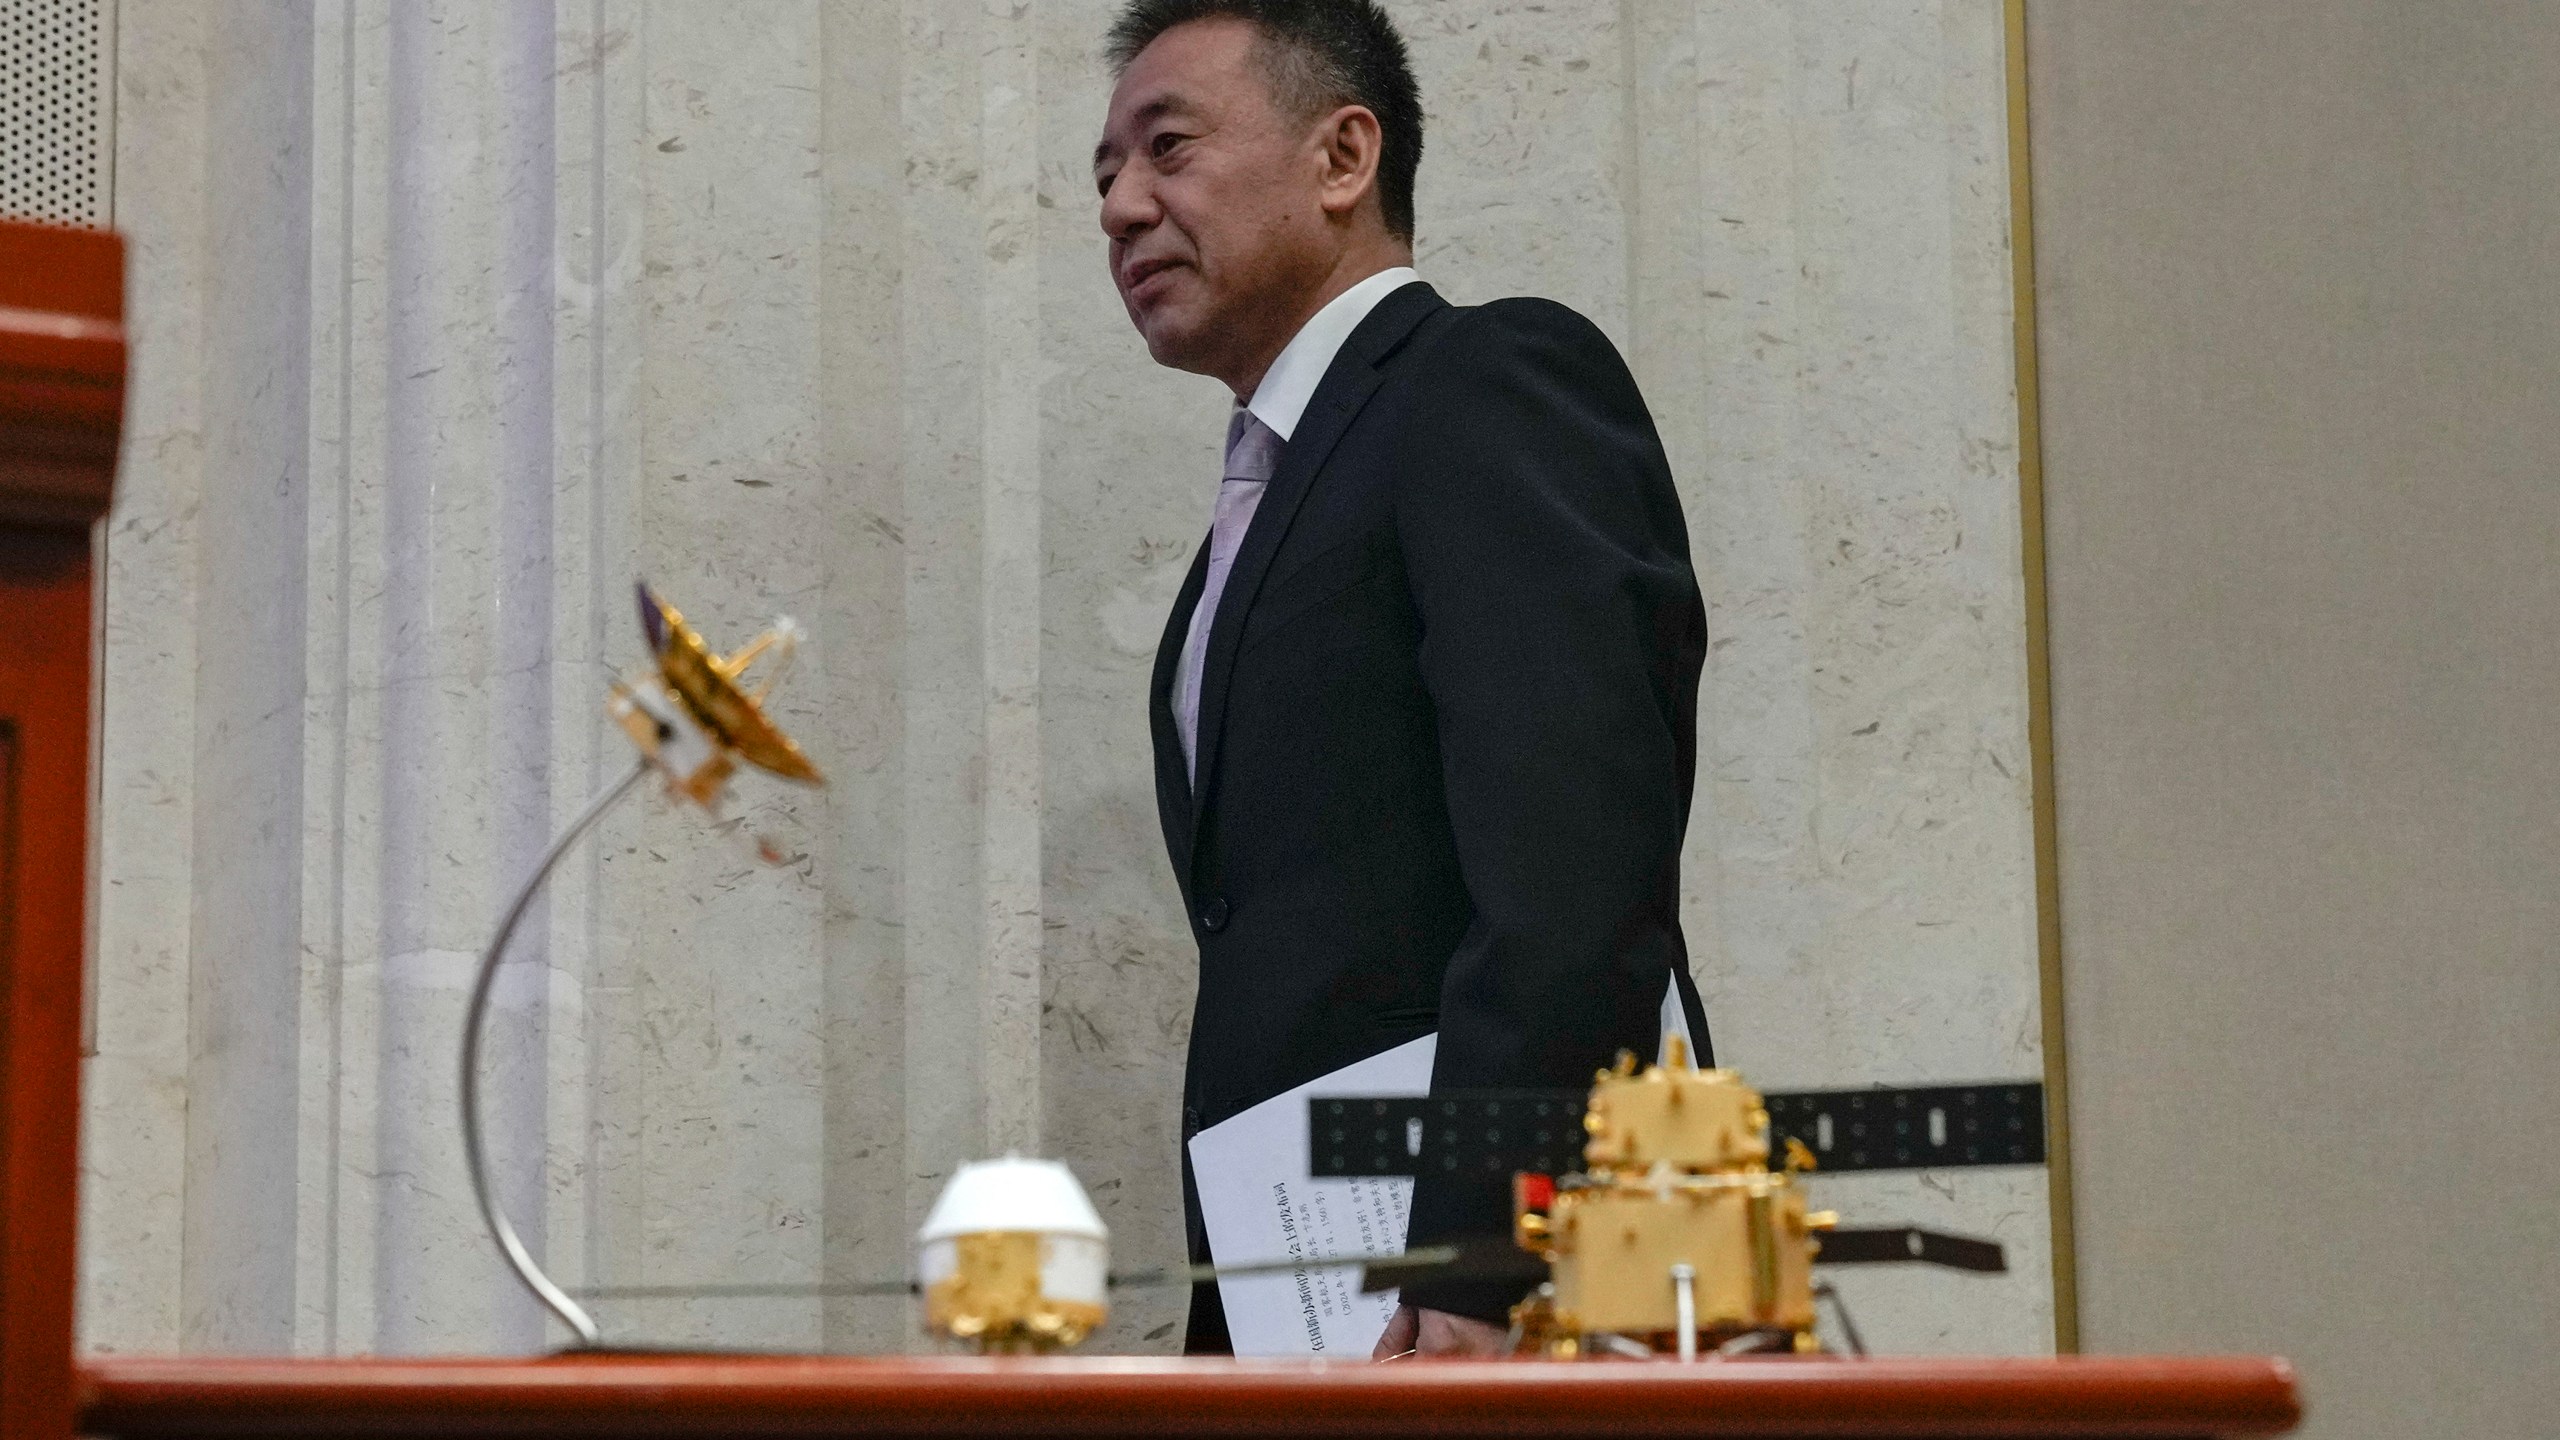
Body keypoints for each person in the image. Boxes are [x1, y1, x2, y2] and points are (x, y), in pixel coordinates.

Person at [1093, 0, 1710, 1357]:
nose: (1123, 207)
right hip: (1306, 1292)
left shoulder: (1486, 380)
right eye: (1104, 176)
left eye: (1169, 148)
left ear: (1343, 156)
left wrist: (1485, 1249)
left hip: (1500, 1286)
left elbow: (1576, 862)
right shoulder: (1248, 526)